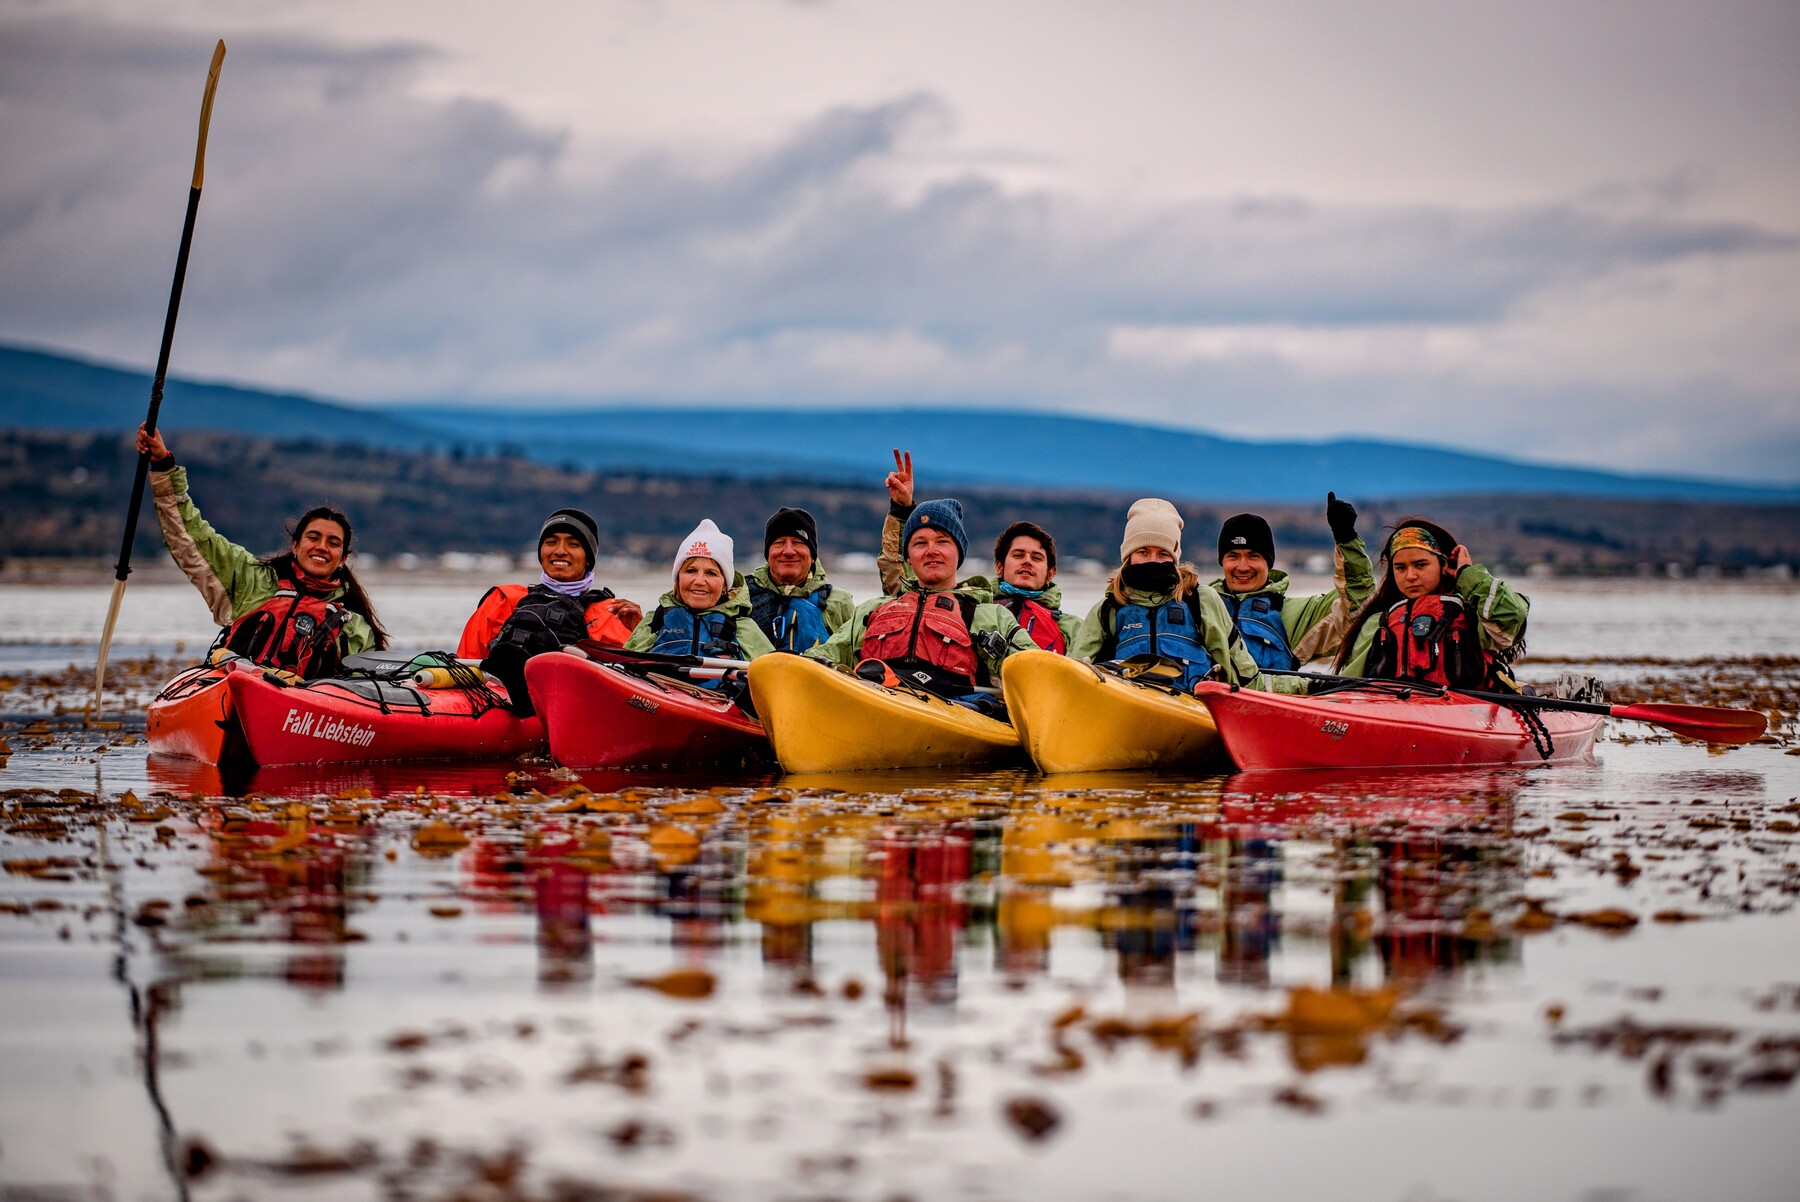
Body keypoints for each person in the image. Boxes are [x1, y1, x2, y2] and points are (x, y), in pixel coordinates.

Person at [138, 424, 386, 678]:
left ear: (343, 558)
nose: (322, 547)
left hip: (303, 712)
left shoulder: (355, 627)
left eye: (333, 543)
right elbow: (192, 535)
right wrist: (163, 465)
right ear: (295, 545)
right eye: (313, 537)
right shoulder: (252, 580)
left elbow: (366, 694)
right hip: (235, 693)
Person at [811, 459, 1037, 702]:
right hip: (877, 703)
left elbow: (1035, 668)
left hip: (957, 714)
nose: (931, 551)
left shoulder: (991, 616)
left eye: (942, 542)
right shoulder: (873, 610)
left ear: (958, 552)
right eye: (920, 543)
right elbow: (823, 657)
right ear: (909, 556)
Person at [875, 452, 1078, 652]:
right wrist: (901, 510)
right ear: (999, 566)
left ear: (1051, 573)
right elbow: (903, 578)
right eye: (1018, 555)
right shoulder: (972, 607)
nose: (1027, 562)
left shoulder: (1070, 627)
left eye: (1036, 557)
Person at [1068, 498, 1265, 692]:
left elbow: (1243, 680)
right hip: (1126, 715)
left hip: (1193, 716)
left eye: (1163, 553)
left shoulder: (1201, 601)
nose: (1153, 561)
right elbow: (1072, 679)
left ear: (1174, 557)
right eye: (1143, 552)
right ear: (1129, 556)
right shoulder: (1106, 611)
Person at [458, 508, 642, 714]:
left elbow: (639, 690)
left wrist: (643, 633)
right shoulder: (503, 599)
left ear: (588, 558)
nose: (560, 551)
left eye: (573, 544)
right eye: (551, 542)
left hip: (567, 704)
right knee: (506, 656)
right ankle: (520, 683)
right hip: (495, 698)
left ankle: (531, 689)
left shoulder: (612, 612)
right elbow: (465, 661)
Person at [1330, 520, 1529, 690]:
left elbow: (1512, 616)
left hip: (1468, 713)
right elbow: (1350, 684)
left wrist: (1468, 574)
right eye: (1400, 568)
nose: (1411, 576)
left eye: (1420, 565)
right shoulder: (1379, 622)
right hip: (1396, 711)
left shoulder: (1473, 614)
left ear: (1444, 565)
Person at [1208, 495, 1373, 672]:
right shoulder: (1199, 605)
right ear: (1222, 561)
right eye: (1233, 556)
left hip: (1267, 699)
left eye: (1253, 556)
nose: (1242, 566)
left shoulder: (1295, 616)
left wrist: (1346, 539)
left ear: (1268, 563)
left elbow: (1357, 603)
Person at [624, 519, 775, 683]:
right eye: (690, 571)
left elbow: (774, 680)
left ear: (725, 584)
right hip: (659, 702)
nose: (699, 581)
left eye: (711, 573)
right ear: (678, 577)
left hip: (719, 703)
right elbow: (622, 673)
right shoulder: (655, 621)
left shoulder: (744, 628)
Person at [745, 506, 856, 652]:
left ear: (812, 556)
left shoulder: (838, 602)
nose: (789, 551)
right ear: (768, 554)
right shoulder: (743, 597)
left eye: (798, 543)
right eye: (779, 543)